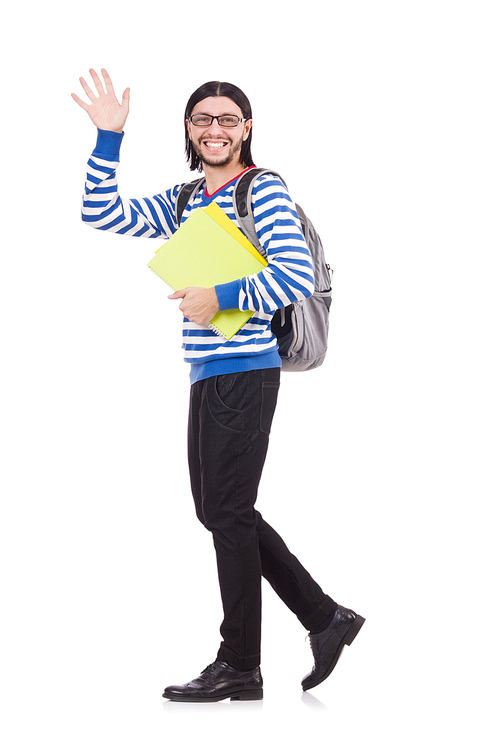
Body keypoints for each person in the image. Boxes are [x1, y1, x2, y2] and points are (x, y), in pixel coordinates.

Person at [72, 68, 365, 703]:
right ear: (188, 129)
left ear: (247, 129)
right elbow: (101, 213)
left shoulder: (261, 193)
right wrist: (108, 139)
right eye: (203, 119)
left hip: (246, 367)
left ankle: (240, 664)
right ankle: (324, 617)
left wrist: (219, 296)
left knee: (226, 513)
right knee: (221, 512)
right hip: (207, 370)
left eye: (227, 120)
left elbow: (295, 275)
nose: (214, 129)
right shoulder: (185, 201)